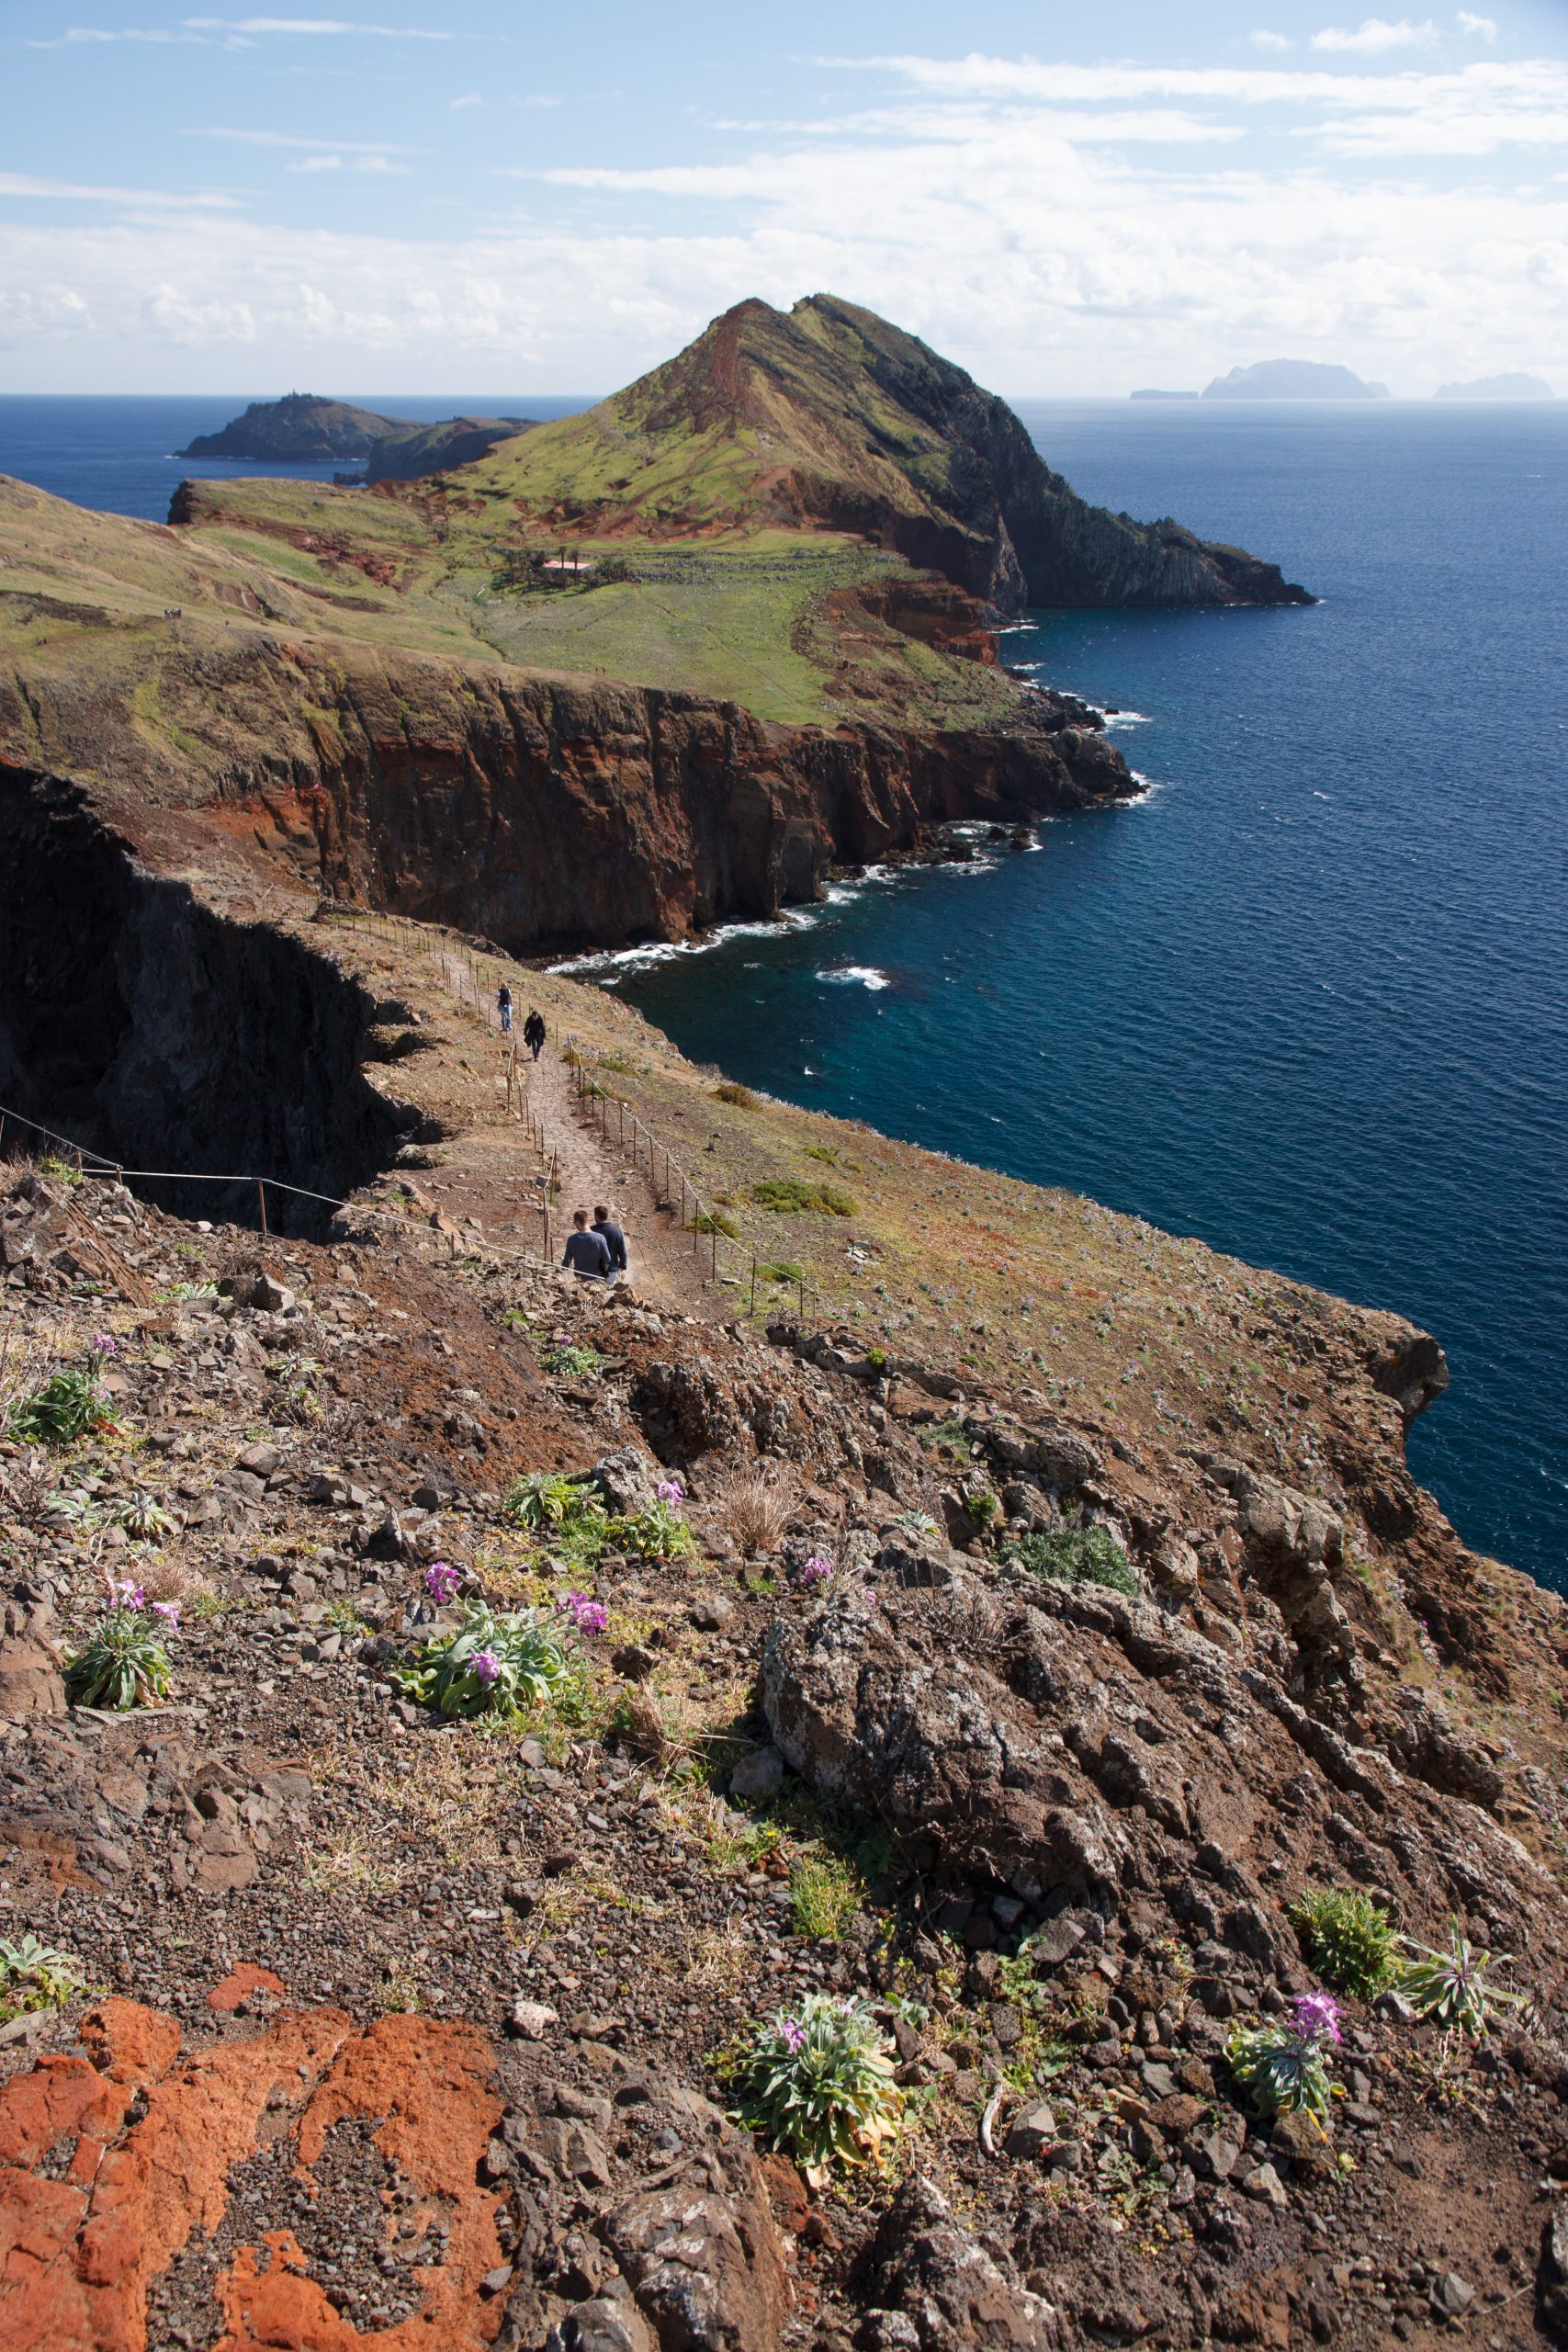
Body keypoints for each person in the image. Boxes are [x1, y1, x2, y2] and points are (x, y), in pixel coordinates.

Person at [561, 1207, 612, 1281]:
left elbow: (566, 1263)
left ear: (578, 1222)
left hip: (579, 1278)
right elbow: (607, 1259)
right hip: (596, 1277)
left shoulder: (572, 1240)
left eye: (574, 1222)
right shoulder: (600, 1238)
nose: (575, 1224)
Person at [592, 1204, 628, 1286]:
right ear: (607, 1215)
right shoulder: (617, 1231)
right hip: (612, 1269)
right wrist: (623, 1265)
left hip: (595, 1270)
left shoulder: (592, 1231)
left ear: (596, 1216)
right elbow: (623, 1251)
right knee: (609, 1293)